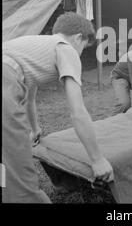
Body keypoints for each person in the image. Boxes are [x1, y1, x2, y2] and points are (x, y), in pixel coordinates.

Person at [2, 12, 114, 203]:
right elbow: (77, 111)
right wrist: (97, 160)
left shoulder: (35, 46)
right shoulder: (65, 48)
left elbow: (29, 99)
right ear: (79, 38)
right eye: (84, 48)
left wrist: (35, 128)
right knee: (20, 174)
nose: (80, 53)